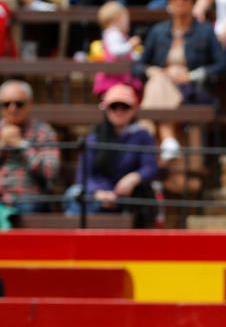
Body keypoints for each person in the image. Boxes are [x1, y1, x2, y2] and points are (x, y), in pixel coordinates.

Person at [133, 0, 226, 162]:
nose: (179, 3)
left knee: (157, 83)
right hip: (163, 88)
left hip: (191, 91)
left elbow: (222, 65)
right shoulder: (158, 31)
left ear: (192, 4)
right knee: (158, 80)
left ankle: (148, 133)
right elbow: (138, 65)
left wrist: (192, 75)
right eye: (175, 0)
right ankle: (168, 140)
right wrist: (151, 70)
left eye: (184, 0)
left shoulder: (205, 31)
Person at [66, 84, 158, 227]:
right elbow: (83, 175)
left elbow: (150, 167)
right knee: (73, 194)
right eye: (114, 106)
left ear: (134, 109)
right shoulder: (94, 136)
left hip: (127, 197)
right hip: (98, 196)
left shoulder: (142, 135)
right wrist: (98, 193)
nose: (119, 111)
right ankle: (79, 241)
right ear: (106, 109)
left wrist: (134, 178)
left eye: (124, 106)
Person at [0, 80, 60, 213]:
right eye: (6, 104)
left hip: (29, 198)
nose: (12, 108)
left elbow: (50, 172)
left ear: (29, 104)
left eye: (18, 104)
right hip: (2, 198)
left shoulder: (43, 131)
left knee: (29, 206)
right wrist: (3, 145)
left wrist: (21, 145)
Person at [93, 2, 143, 97]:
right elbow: (115, 51)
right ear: (117, 19)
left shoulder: (117, 35)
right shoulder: (112, 33)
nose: (128, 22)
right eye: (126, 18)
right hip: (113, 79)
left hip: (119, 78)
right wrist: (130, 45)